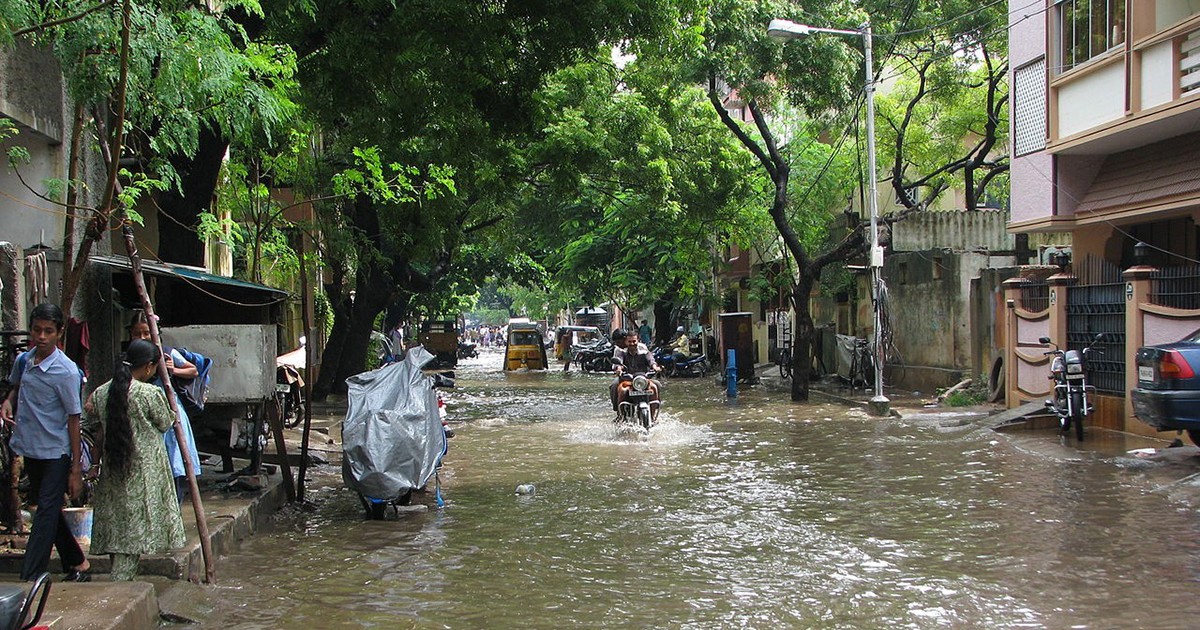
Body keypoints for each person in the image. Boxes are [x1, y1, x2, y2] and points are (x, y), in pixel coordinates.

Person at [0, 302, 90, 582]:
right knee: (47, 510)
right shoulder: (24, 361)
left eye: (48, 331)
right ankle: (79, 563)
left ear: (59, 333)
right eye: (37, 330)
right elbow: (16, 387)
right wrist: (8, 402)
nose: (41, 336)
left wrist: (76, 467)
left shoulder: (66, 371)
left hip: (56, 452)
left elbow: (74, 418)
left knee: (45, 512)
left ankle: (31, 575)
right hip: (31, 447)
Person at [86, 339, 186, 581]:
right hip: (144, 471)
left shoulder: (101, 392)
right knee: (132, 532)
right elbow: (165, 422)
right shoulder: (149, 393)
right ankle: (120, 585)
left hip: (114, 469)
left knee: (119, 529)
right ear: (149, 366)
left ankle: (120, 579)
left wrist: (95, 465)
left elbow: (96, 423)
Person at [128, 312, 201, 503]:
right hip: (143, 419)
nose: (142, 337)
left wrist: (173, 370)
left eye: (146, 333)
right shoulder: (129, 357)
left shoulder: (166, 353)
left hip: (168, 416)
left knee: (174, 463)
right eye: (137, 333)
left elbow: (193, 370)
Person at [609, 329, 661, 419]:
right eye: (629, 342)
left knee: (657, 385)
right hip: (627, 378)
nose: (632, 344)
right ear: (626, 341)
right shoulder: (620, 350)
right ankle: (619, 413)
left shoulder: (643, 348)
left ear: (638, 340)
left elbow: (650, 359)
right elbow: (618, 361)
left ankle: (654, 413)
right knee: (615, 386)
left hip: (642, 379)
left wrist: (655, 367)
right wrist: (619, 369)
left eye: (634, 341)